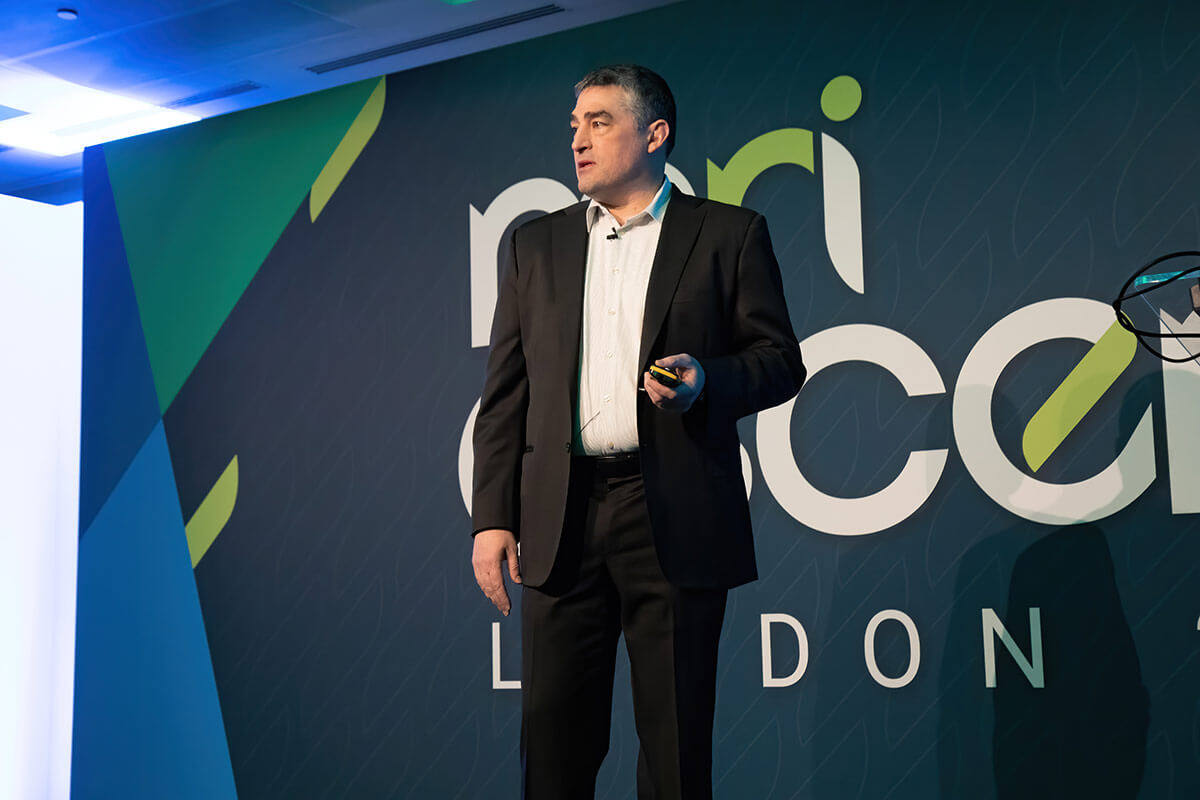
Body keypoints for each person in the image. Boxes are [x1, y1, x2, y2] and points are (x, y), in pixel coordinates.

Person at [471, 64, 805, 800]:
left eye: (600, 122)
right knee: (552, 748)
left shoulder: (728, 234)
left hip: (674, 513)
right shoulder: (535, 246)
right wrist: (492, 517)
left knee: (674, 751)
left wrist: (706, 380)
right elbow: (505, 396)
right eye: (575, 125)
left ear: (654, 135)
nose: (578, 140)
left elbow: (781, 362)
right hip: (561, 517)